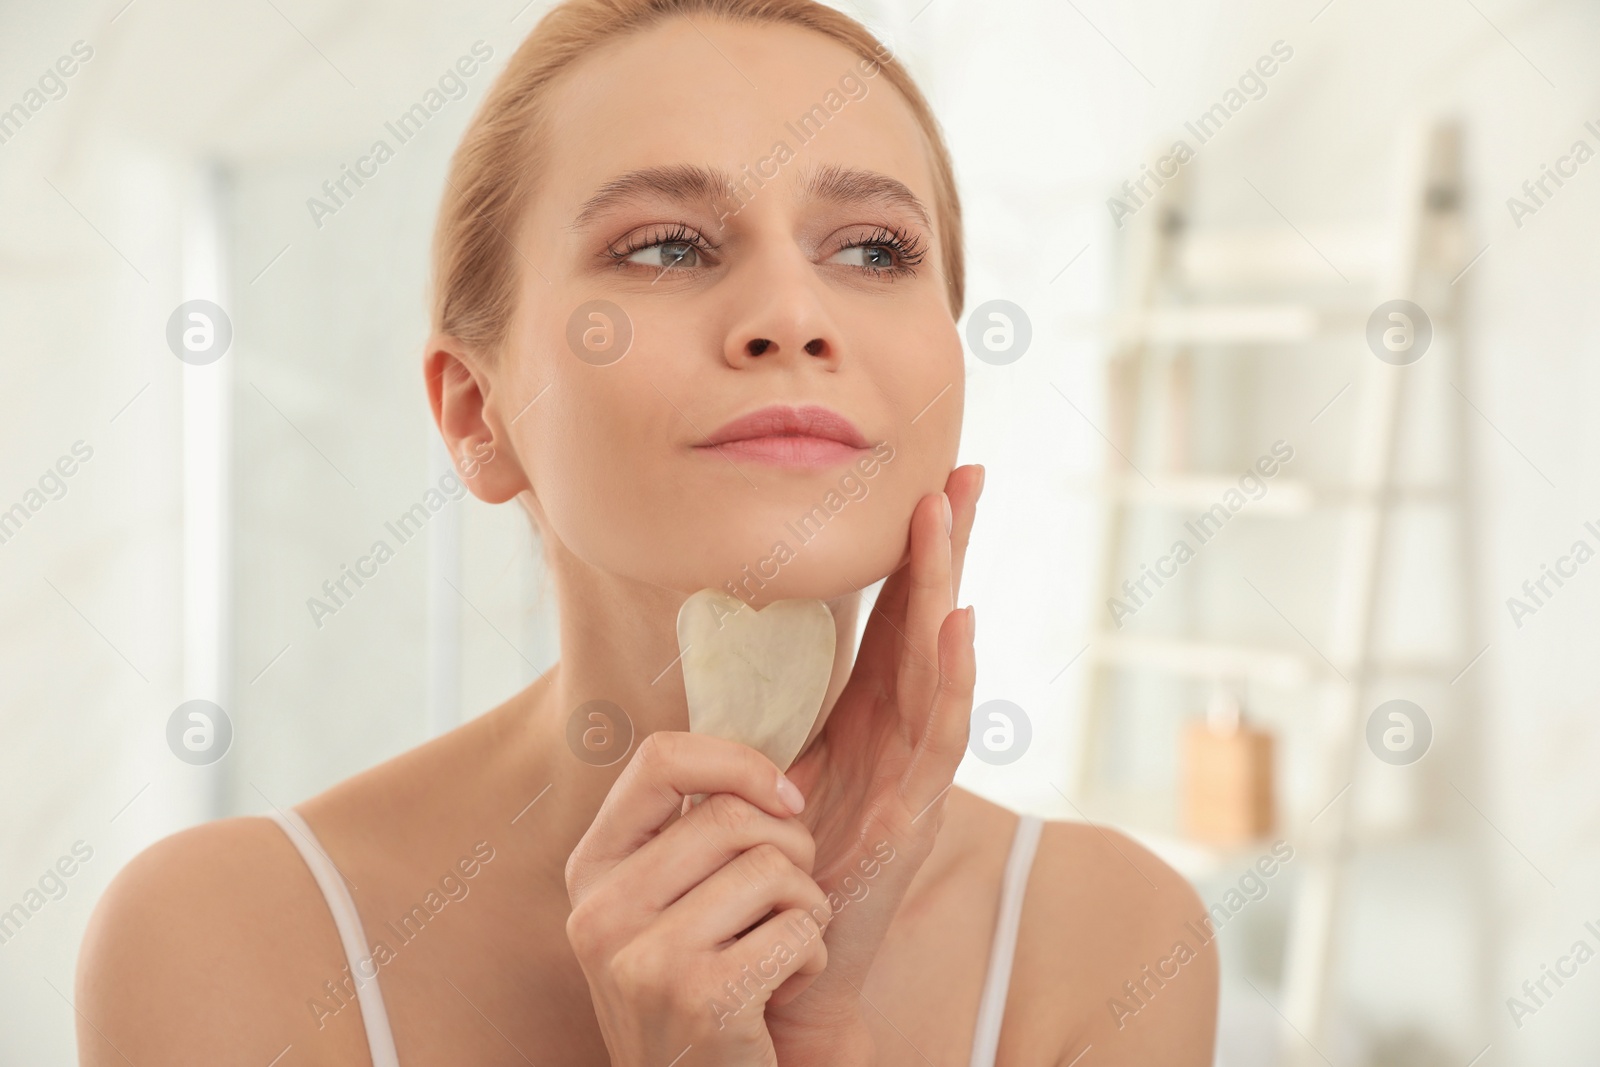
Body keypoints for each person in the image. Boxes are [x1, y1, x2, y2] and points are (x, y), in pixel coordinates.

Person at [76, 1, 1217, 1063]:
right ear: (478, 415)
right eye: (666, 246)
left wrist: (804, 1035)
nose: (790, 315)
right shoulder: (224, 941)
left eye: (872, 248)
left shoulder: (1104, 941)